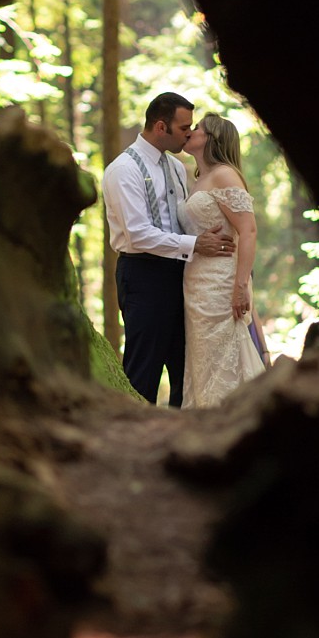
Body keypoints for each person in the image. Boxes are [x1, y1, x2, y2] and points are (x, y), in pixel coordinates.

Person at [101, 92, 235, 406]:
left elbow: (183, 218)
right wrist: (196, 244)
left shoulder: (176, 167)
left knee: (185, 370)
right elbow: (137, 234)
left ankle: (178, 440)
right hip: (143, 274)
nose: (190, 133)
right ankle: (134, 442)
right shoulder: (124, 170)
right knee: (143, 370)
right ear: (161, 127)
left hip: (182, 274)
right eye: (184, 127)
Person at [178, 112, 270, 408]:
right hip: (196, 283)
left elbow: (248, 229)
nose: (190, 131)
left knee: (225, 357)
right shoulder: (198, 177)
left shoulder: (224, 174)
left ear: (212, 138)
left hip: (221, 283)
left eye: (198, 128)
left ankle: (235, 418)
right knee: (203, 360)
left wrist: (240, 286)